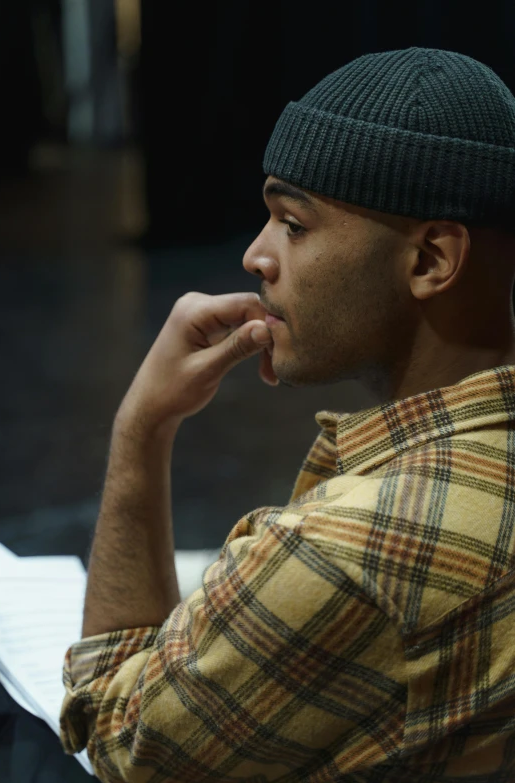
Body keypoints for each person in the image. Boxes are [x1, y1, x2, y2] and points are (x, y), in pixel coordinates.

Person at [59, 48, 515, 781]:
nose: (255, 255)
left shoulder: (349, 549)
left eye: (293, 224)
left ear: (431, 260)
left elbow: (119, 740)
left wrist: (141, 430)